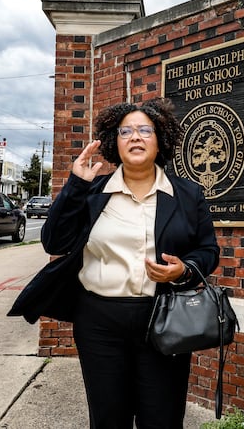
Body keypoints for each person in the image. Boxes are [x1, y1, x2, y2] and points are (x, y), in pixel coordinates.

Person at [40, 97, 219, 429]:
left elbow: (208, 250)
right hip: (99, 322)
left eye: (144, 130)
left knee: (162, 419)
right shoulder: (93, 192)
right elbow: (54, 241)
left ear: (160, 139)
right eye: (126, 131)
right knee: (109, 418)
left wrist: (184, 270)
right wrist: (75, 186)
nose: (135, 137)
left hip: (163, 320)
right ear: (113, 141)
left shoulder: (188, 194)